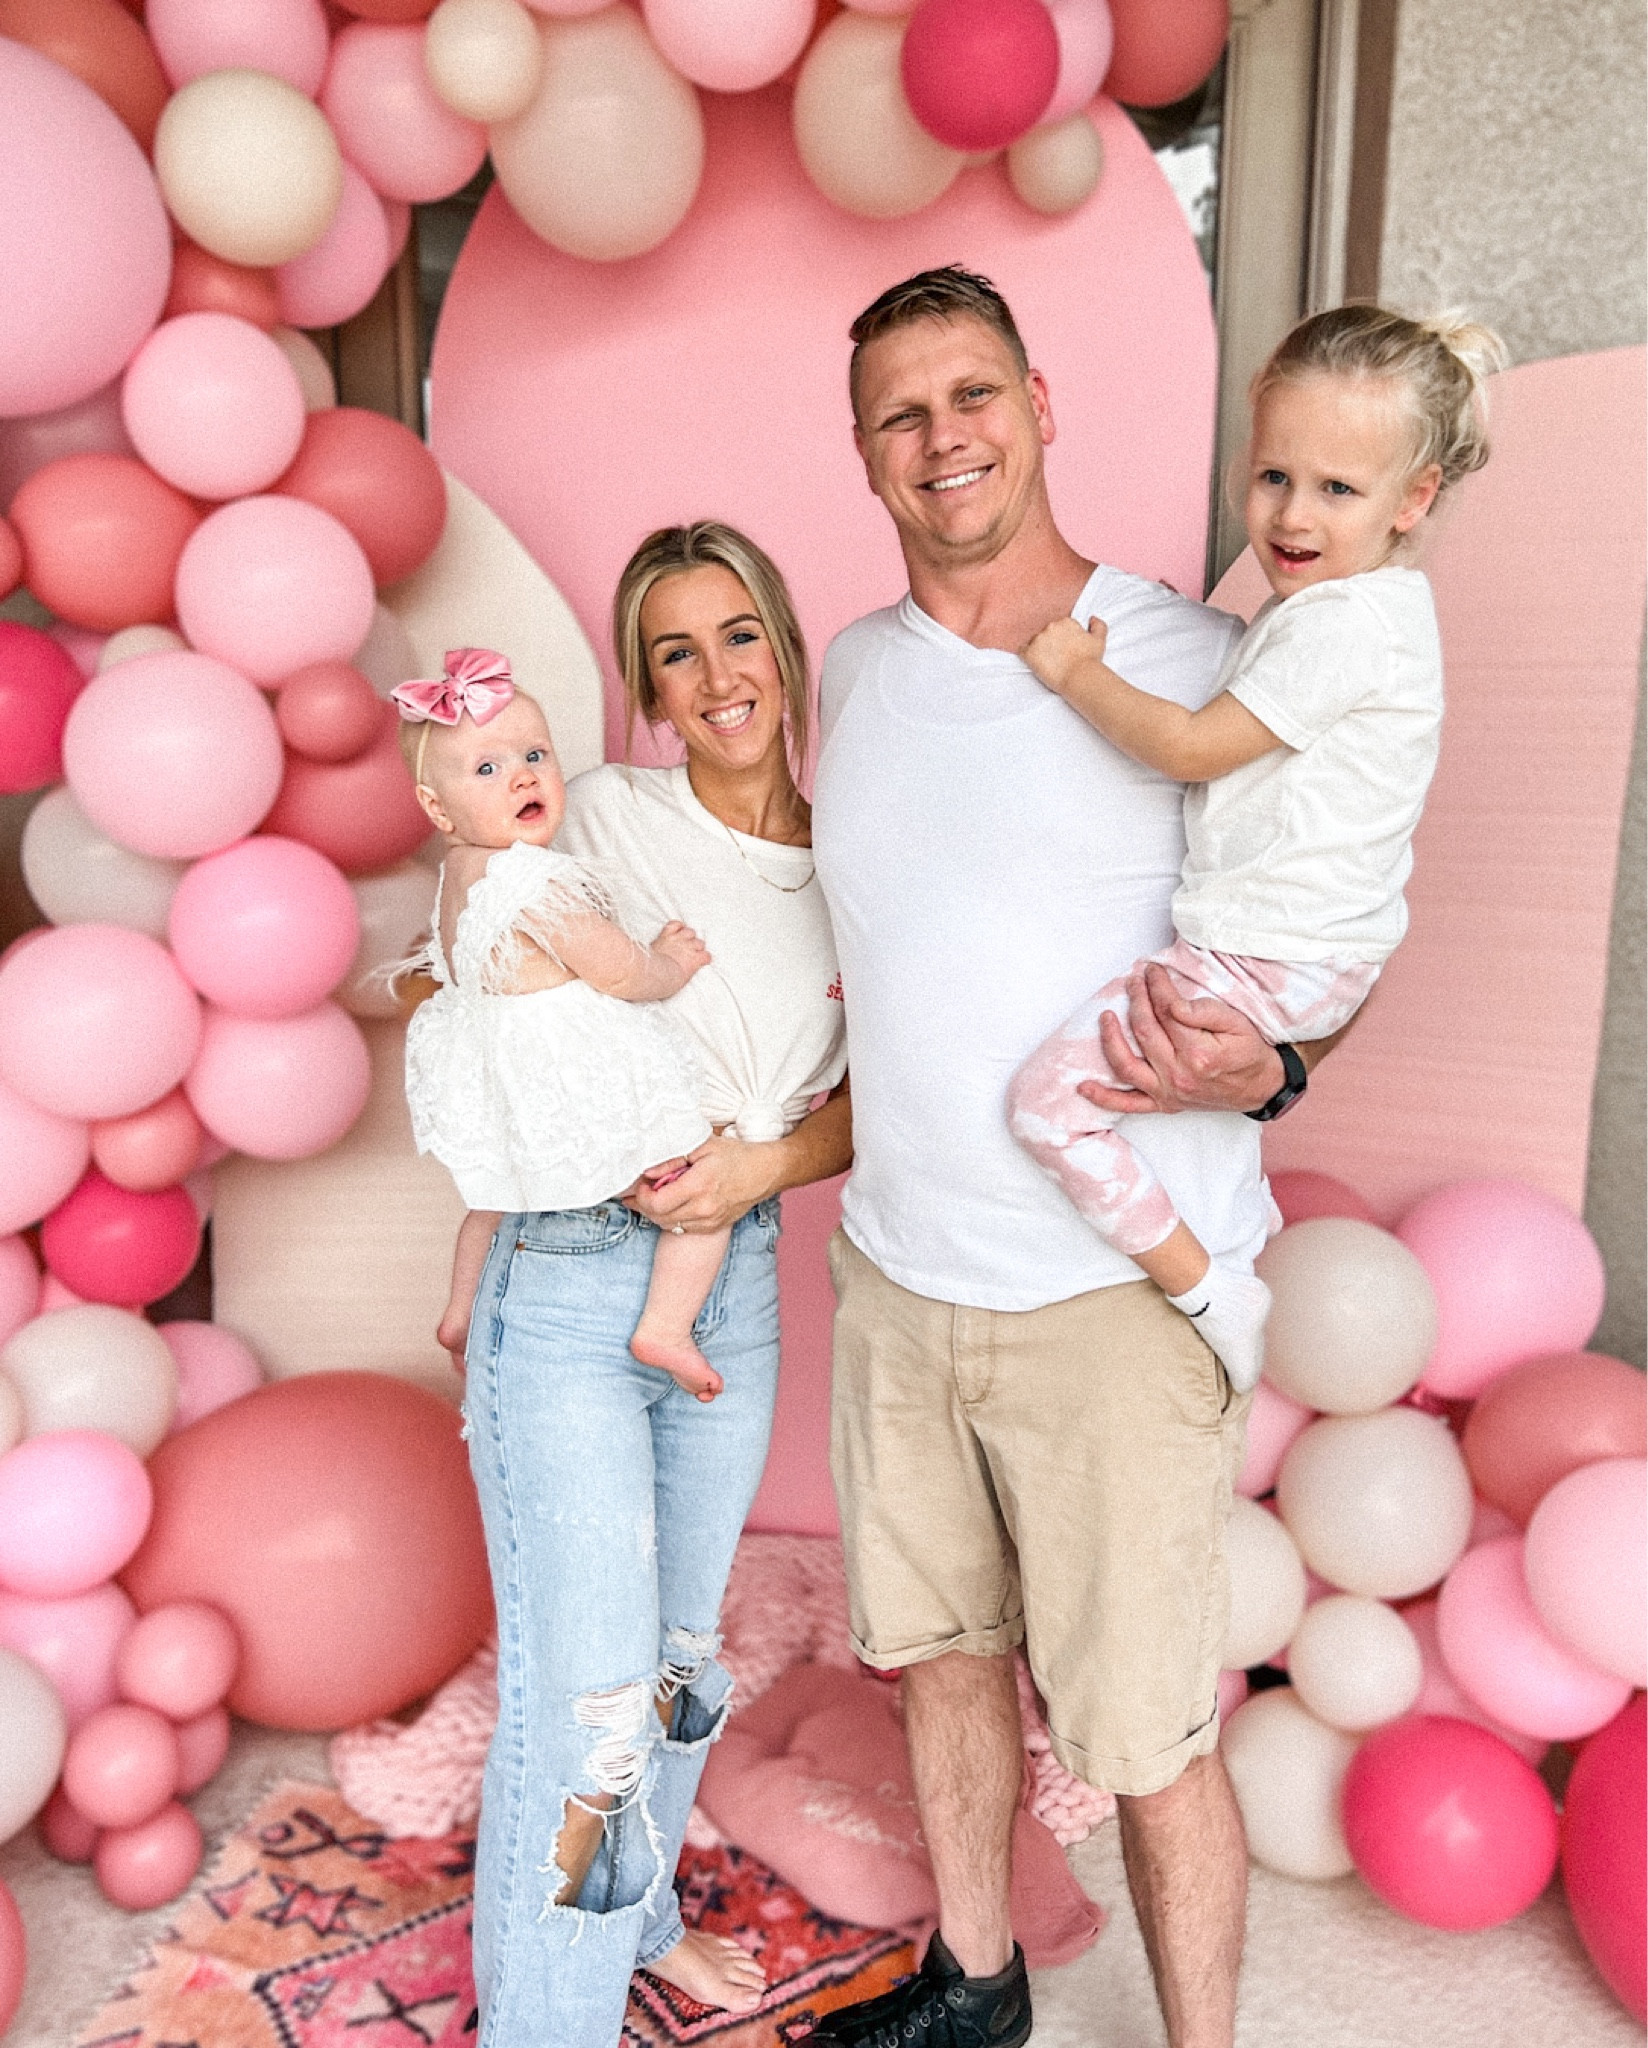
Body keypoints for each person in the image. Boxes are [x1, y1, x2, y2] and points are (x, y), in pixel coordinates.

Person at [807, 266, 1344, 2048]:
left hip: (1109, 1297)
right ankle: (976, 1983)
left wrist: (1270, 1069)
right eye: (900, 411)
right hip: (897, 1274)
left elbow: (1313, 939)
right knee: (939, 1655)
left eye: (970, 394)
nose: (939, 435)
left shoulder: (1193, 660)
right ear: (864, 452)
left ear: (1039, 402)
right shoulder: (854, 672)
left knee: (1143, 1734)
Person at [432, 525, 849, 2047]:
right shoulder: (599, 810)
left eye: (738, 634)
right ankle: (553, 2020)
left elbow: (887, 1089)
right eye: (676, 650)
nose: (717, 676)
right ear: (644, 685)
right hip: (573, 1278)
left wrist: (754, 1175)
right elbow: (476, 977)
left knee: (678, 1669)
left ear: (786, 643)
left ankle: (642, 1916)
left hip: (729, 1278)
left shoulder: (858, 842)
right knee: (590, 1700)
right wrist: (501, 1218)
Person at [1007, 304, 1506, 1395]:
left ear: (1412, 501)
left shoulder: (1340, 627)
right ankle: (1220, 1241)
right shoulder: (1363, 611)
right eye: (1275, 474)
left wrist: (1074, 671)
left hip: (1268, 961)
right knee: (1131, 1087)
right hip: (1318, 955)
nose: (1291, 513)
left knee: (1043, 1107)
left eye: (1338, 489)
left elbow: (1189, 747)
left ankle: (1207, 1286)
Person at [395, 649, 739, 1401]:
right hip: (572, 1088)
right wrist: (668, 963)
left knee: (498, 1194)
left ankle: (460, 1309)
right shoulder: (525, 878)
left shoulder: (460, 875)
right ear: (436, 805)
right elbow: (617, 969)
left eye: (534, 754)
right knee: (701, 1182)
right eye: (486, 769)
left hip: (508, 1087)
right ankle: (667, 1325)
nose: (522, 775)